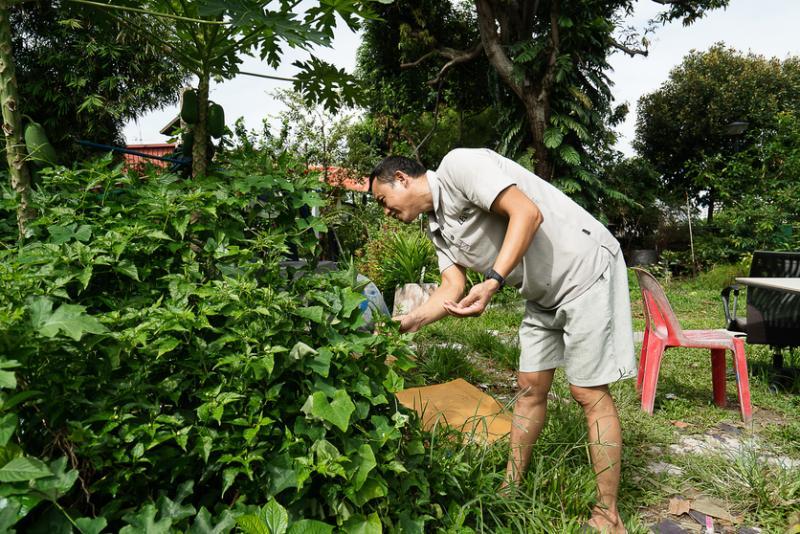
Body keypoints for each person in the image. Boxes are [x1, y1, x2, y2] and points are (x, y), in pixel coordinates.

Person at [369, 148, 637, 533]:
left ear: (401, 178)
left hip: (583, 268)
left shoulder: (459, 166)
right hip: (540, 291)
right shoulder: (436, 227)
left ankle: (607, 515)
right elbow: (452, 287)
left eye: (383, 201)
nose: (385, 212)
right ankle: (510, 488)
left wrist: (493, 281)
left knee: (587, 392)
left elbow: (527, 213)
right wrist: (408, 322)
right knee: (529, 389)